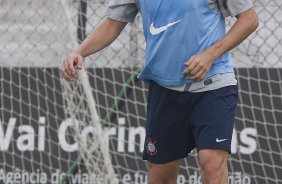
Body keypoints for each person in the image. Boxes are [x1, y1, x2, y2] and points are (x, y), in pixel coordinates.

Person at [62, 0, 259, 183]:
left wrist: (210, 55)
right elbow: (113, 23)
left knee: (213, 165)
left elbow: (249, 19)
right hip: (165, 90)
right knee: (160, 175)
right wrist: (80, 51)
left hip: (214, 84)